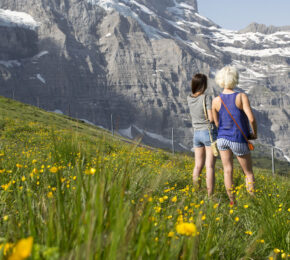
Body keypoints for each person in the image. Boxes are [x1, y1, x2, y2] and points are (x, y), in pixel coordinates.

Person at [212, 66, 257, 204]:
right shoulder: (241, 97)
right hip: (237, 139)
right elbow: (251, 119)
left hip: (222, 139)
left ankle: (232, 202)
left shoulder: (216, 100)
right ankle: (252, 201)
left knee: (227, 171)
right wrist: (254, 133)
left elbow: (217, 123)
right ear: (235, 78)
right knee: (248, 173)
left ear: (220, 80)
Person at [187, 73, 217, 197]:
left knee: (198, 165)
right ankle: (210, 195)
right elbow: (210, 118)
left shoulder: (189, 98)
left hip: (196, 134)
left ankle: (196, 191)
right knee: (209, 166)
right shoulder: (206, 98)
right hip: (208, 133)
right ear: (203, 85)